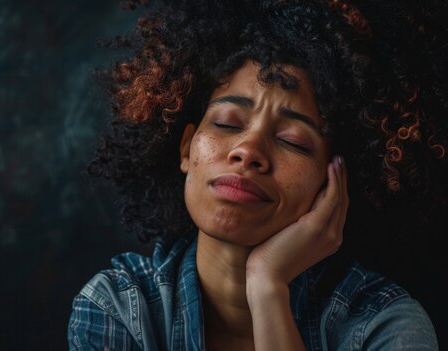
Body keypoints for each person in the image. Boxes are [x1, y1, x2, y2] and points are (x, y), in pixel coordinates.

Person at [68, 0, 447, 349]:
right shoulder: (117, 308)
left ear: (336, 182)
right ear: (186, 148)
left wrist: (268, 286)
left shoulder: (387, 326)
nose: (248, 151)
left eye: (293, 141)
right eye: (227, 122)